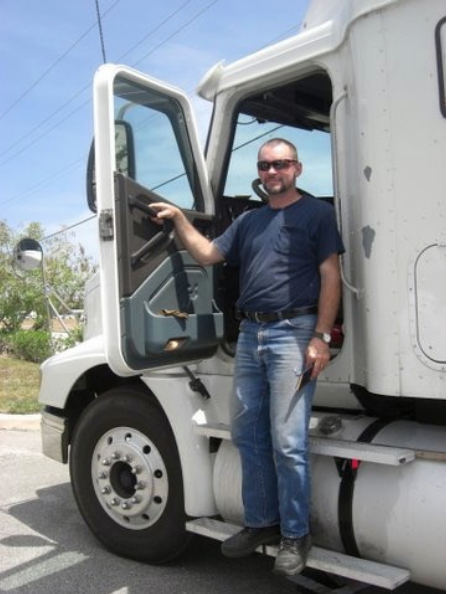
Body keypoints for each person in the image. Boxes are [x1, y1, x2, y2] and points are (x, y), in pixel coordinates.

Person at [150, 138, 344, 576]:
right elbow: (209, 254)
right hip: (252, 333)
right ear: (259, 173)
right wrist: (180, 219)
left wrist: (320, 337)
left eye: (280, 164)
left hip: (294, 334)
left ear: (297, 168)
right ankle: (262, 524)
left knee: (288, 441)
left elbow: (331, 274)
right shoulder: (250, 222)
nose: (272, 172)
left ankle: (296, 535)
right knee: (247, 434)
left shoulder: (317, 214)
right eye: (264, 166)